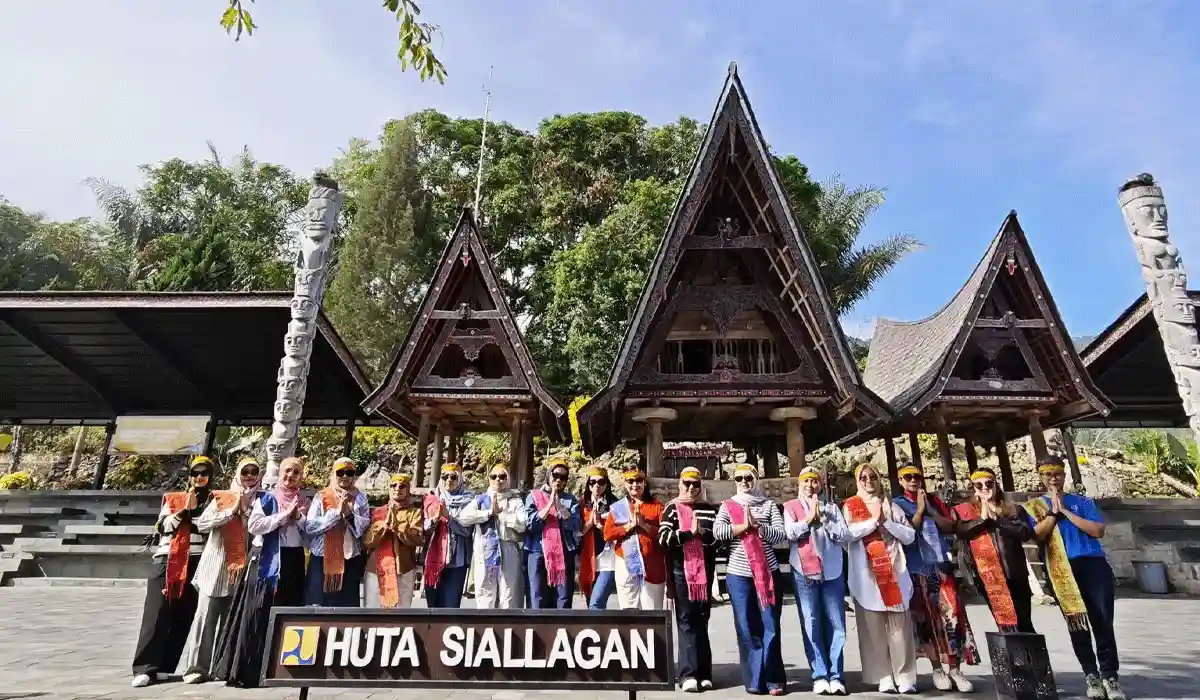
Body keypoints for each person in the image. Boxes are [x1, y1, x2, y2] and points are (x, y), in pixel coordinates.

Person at [1025, 456, 1126, 700]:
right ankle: (1091, 674)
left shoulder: (1082, 502)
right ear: (1041, 477)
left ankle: (1110, 676)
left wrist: (1066, 511)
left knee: (1102, 620)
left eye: (1057, 473)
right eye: (1048, 474)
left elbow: (1097, 530)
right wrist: (1052, 513)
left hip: (1092, 564)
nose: (1053, 478)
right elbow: (1036, 535)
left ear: (1064, 475)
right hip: (1062, 568)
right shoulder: (1035, 506)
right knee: (1077, 623)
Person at [212, 456, 310, 688]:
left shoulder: (305, 500)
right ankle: (249, 671)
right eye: (287, 471)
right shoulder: (267, 498)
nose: (290, 476)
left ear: (301, 476)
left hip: (293, 560)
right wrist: (283, 517)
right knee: (258, 611)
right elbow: (255, 525)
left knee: (289, 611)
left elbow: (310, 534)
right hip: (267, 559)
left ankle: (282, 669)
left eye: (296, 472)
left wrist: (299, 518)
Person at [893, 463, 979, 693]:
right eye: (907, 477)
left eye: (916, 477)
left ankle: (954, 668)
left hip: (940, 564)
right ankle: (936, 669)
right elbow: (907, 534)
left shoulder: (936, 501)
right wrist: (920, 511)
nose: (913, 480)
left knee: (953, 616)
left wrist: (930, 510)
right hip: (918, 568)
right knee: (926, 620)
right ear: (900, 481)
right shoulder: (897, 504)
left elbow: (950, 526)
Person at [131, 456, 213, 688]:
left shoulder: (214, 501)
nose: (199, 478)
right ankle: (145, 667)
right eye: (195, 473)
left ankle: (166, 665)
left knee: (184, 614)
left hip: (197, 560)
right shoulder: (175, 498)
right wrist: (182, 512)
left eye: (204, 473)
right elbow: (162, 527)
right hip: (168, 559)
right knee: (156, 613)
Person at [178, 457, 260, 684]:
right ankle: (196, 669)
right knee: (205, 621)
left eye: (254, 472)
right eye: (245, 471)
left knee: (230, 623)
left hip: (241, 571)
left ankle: (221, 668)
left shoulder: (262, 500)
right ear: (238, 473)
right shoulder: (222, 497)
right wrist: (230, 512)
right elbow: (202, 524)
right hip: (215, 568)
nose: (250, 476)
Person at [713, 463, 787, 696]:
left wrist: (760, 528)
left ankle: (774, 678)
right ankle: (755, 679)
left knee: (771, 626)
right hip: (739, 574)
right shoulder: (728, 506)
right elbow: (718, 532)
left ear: (756, 480)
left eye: (748, 478)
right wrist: (742, 527)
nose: (744, 482)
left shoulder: (768, 505)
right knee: (746, 627)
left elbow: (781, 534)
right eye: (740, 478)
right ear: (735, 481)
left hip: (768, 572)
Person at [844, 463, 918, 694]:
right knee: (873, 627)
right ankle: (883, 675)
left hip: (894, 571)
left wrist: (886, 522)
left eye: (873, 477)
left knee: (899, 627)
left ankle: (904, 675)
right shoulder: (850, 506)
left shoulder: (892, 506)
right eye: (864, 477)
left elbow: (909, 536)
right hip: (866, 574)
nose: (868, 481)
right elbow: (846, 535)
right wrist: (872, 523)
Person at [782, 466, 849, 696]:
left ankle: (836, 675)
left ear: (820, 485)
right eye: (806, 481)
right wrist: (809, 520)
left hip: (832, 569)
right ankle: (820, 673)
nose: (811, 485)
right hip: (803, 570)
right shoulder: (790, 507)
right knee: (811, 622)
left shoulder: (832, 508)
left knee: (836, 622)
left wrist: (827, 522)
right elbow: (789, 533)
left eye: (814, 481)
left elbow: (843, 535)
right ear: (799, 484)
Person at [952, 467, 1036, 634]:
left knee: (1024, 622)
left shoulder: (1012, 509)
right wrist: (982, 517)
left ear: (996, 485)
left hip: (1015, 573)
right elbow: (962, 532)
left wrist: (998, 519)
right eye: (979, 485)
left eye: (989, 483)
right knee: (1004, 623)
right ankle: (1012, 659)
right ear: (973, 488)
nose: (985, 488)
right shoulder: (964, 511)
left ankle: (1033, 658)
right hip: (988, 575)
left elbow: (1025, 533)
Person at [657, 466, 717, 693]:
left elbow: (716, 540)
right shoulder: (671, 508)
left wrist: (703, 534)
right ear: (680, 485)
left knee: (702, 619)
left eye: (695, 484)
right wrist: (688, 534)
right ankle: (688, 674)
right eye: (687, 484)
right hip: (682, 571)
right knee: (686, 620)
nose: (691, 488)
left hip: (704, 571)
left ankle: (704, 673)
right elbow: (663, 538)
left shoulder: (709, 509)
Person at [304, 457, 370, 607]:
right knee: (318, 606)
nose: (345, 476)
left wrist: (348, 514)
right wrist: (336, 514)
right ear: (334, 474)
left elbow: (363, 527)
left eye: (349, 472)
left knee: (346, 608)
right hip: (323, 559)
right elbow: (311, 526)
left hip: (350, 559)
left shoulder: (360, 498)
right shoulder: (322, 496)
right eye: (341, 472)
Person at [459, 464, 527, 609]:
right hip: (485, 550)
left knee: (508, 592)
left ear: (507, 479)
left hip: (508, 547)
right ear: (489, 479)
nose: (498, 480)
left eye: (502, 477)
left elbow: (523, 524)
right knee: (485, 592)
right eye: (494, 476)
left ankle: (508, 629)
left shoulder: (515, 500)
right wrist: (488, 513)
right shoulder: (481, 500)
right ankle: (485, 628)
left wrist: (502, 514)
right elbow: (463, 518)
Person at [603, 467, 667, 610]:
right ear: (624, 484)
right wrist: (629, 526)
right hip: (626, 566)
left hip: (652, 567)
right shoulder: (618, 508)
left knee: (653, 614)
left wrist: (644, 526)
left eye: (639, 480)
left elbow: (664, 534)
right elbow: (608, 534)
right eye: (630, 481)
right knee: (629, 614)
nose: (635, 484)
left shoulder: (657, 507)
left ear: (645, 482)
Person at [524, 457, 582, 608]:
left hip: (563, 553)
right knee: (537, 595)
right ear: (548, 475)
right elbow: (531, 525)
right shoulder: (534, 496)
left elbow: (575, 525)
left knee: (562, 598)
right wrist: (549, 503)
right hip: (538, 550)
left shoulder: (570, 500)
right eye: (555, 475)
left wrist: (559, 505)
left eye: (563, 477)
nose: (558, 480)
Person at [364, 473, 423, 608]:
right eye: (393, 485)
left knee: (400, 615)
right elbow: (368, 541)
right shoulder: (378, 512)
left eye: (402, 486)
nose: (397, 488)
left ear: (408, 490)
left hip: (403, 569)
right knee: (373, 612)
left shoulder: (415, 513)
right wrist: (383, 528)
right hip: (376, 568)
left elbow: (417, 537)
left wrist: (397, 527)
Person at [421, 463, 475, 608]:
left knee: (450, 606)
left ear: (460, 480)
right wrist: (434, 520)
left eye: (453, 477)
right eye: (445, 477)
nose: (449, 480)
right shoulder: (430, 499)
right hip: (432, 557)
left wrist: (448, 517)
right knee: (432, 605)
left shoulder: (469, 501)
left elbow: (467, 531)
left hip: (457, 559)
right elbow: (423, 529)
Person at [579, 465, 619, 609]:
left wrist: (601, 526)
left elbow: (618, 533)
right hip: (588, 558)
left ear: (607, 484)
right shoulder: (582, 503)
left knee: (597, 602)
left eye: (601, 482)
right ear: (588, 484)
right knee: (590, 601)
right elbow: (577, 531)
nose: (597, 485)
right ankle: (597, 630)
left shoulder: (615, 504)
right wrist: (590, 523)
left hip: (608, 558)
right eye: (593, 482)